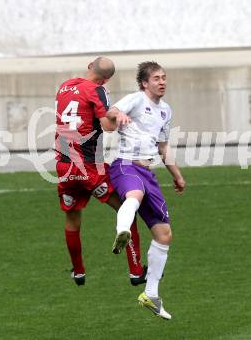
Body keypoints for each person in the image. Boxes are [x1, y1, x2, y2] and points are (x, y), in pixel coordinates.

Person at [55, 56, 146, 286]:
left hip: (64, 165)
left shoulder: (64, 87)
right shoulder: (98, 91)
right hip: (89, 167)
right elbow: (107, 125)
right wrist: (117, 117)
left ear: (89, 67)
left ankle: (78, 271)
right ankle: (136, 271)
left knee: (72, 216)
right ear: (107, 80)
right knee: (126, 209)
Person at [107, 61, 186, 319]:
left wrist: (177, 175)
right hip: (125, 165)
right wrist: (118, 115)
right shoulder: (136, 99)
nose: (162, 82)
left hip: (148, 172)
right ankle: (123, 230)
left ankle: (150, 294)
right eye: (156, 78)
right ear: (144, 83)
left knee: (164, 234)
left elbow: (163, 147)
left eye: (164, 77)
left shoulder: (165, 111)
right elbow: (111, 111)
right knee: (134, 196)